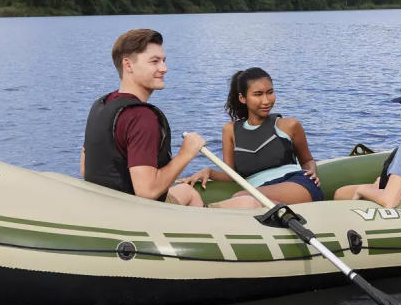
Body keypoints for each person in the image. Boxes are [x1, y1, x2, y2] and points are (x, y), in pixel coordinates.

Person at [80, 29, 205, 206]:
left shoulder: (101, 105)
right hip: (136, 214)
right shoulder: (141, 117)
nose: (164, 68)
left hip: (104, 206)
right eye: (154, 61)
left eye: (163, 61)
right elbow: (147, 192)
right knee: (241, 202)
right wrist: (186, 154)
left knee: (187, 191)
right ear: (128, 65)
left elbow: (85, 169)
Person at [179, 67, 322, 208]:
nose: (266, 101)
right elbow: (231, 175)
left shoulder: (289, 125)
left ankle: (205, 211)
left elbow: (307, 160)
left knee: (243, 197)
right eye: (258, 94)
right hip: (258, 192)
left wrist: (312, 171)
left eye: (270, 92)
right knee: (252, 202)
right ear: (242, 98)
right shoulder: (230, 130)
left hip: (296, 184)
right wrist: (209, 172)